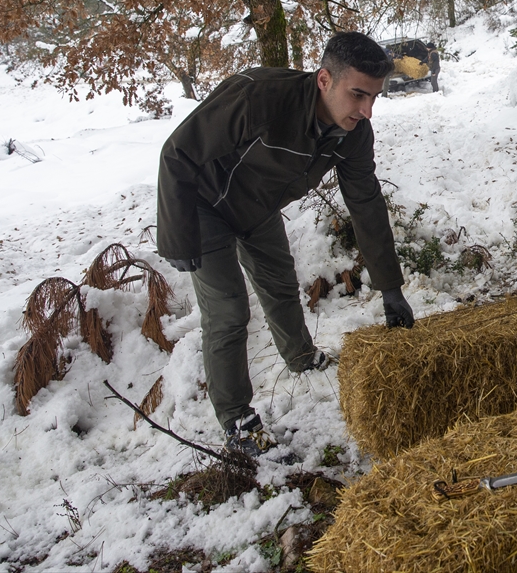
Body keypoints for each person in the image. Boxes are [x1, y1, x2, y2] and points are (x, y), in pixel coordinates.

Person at [156, 31, 414, 456]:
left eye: (375, 97)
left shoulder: (353, 131)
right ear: (324, 80)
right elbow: (178, 152)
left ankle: (300, 357)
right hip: (203, 206)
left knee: (279, 285)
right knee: (228, 312)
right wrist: (176, 235)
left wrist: (390, 287)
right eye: (357, 95)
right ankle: (237, 418)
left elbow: (365, 201)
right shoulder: (257, 96)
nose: (367, 110)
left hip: (257, 208)